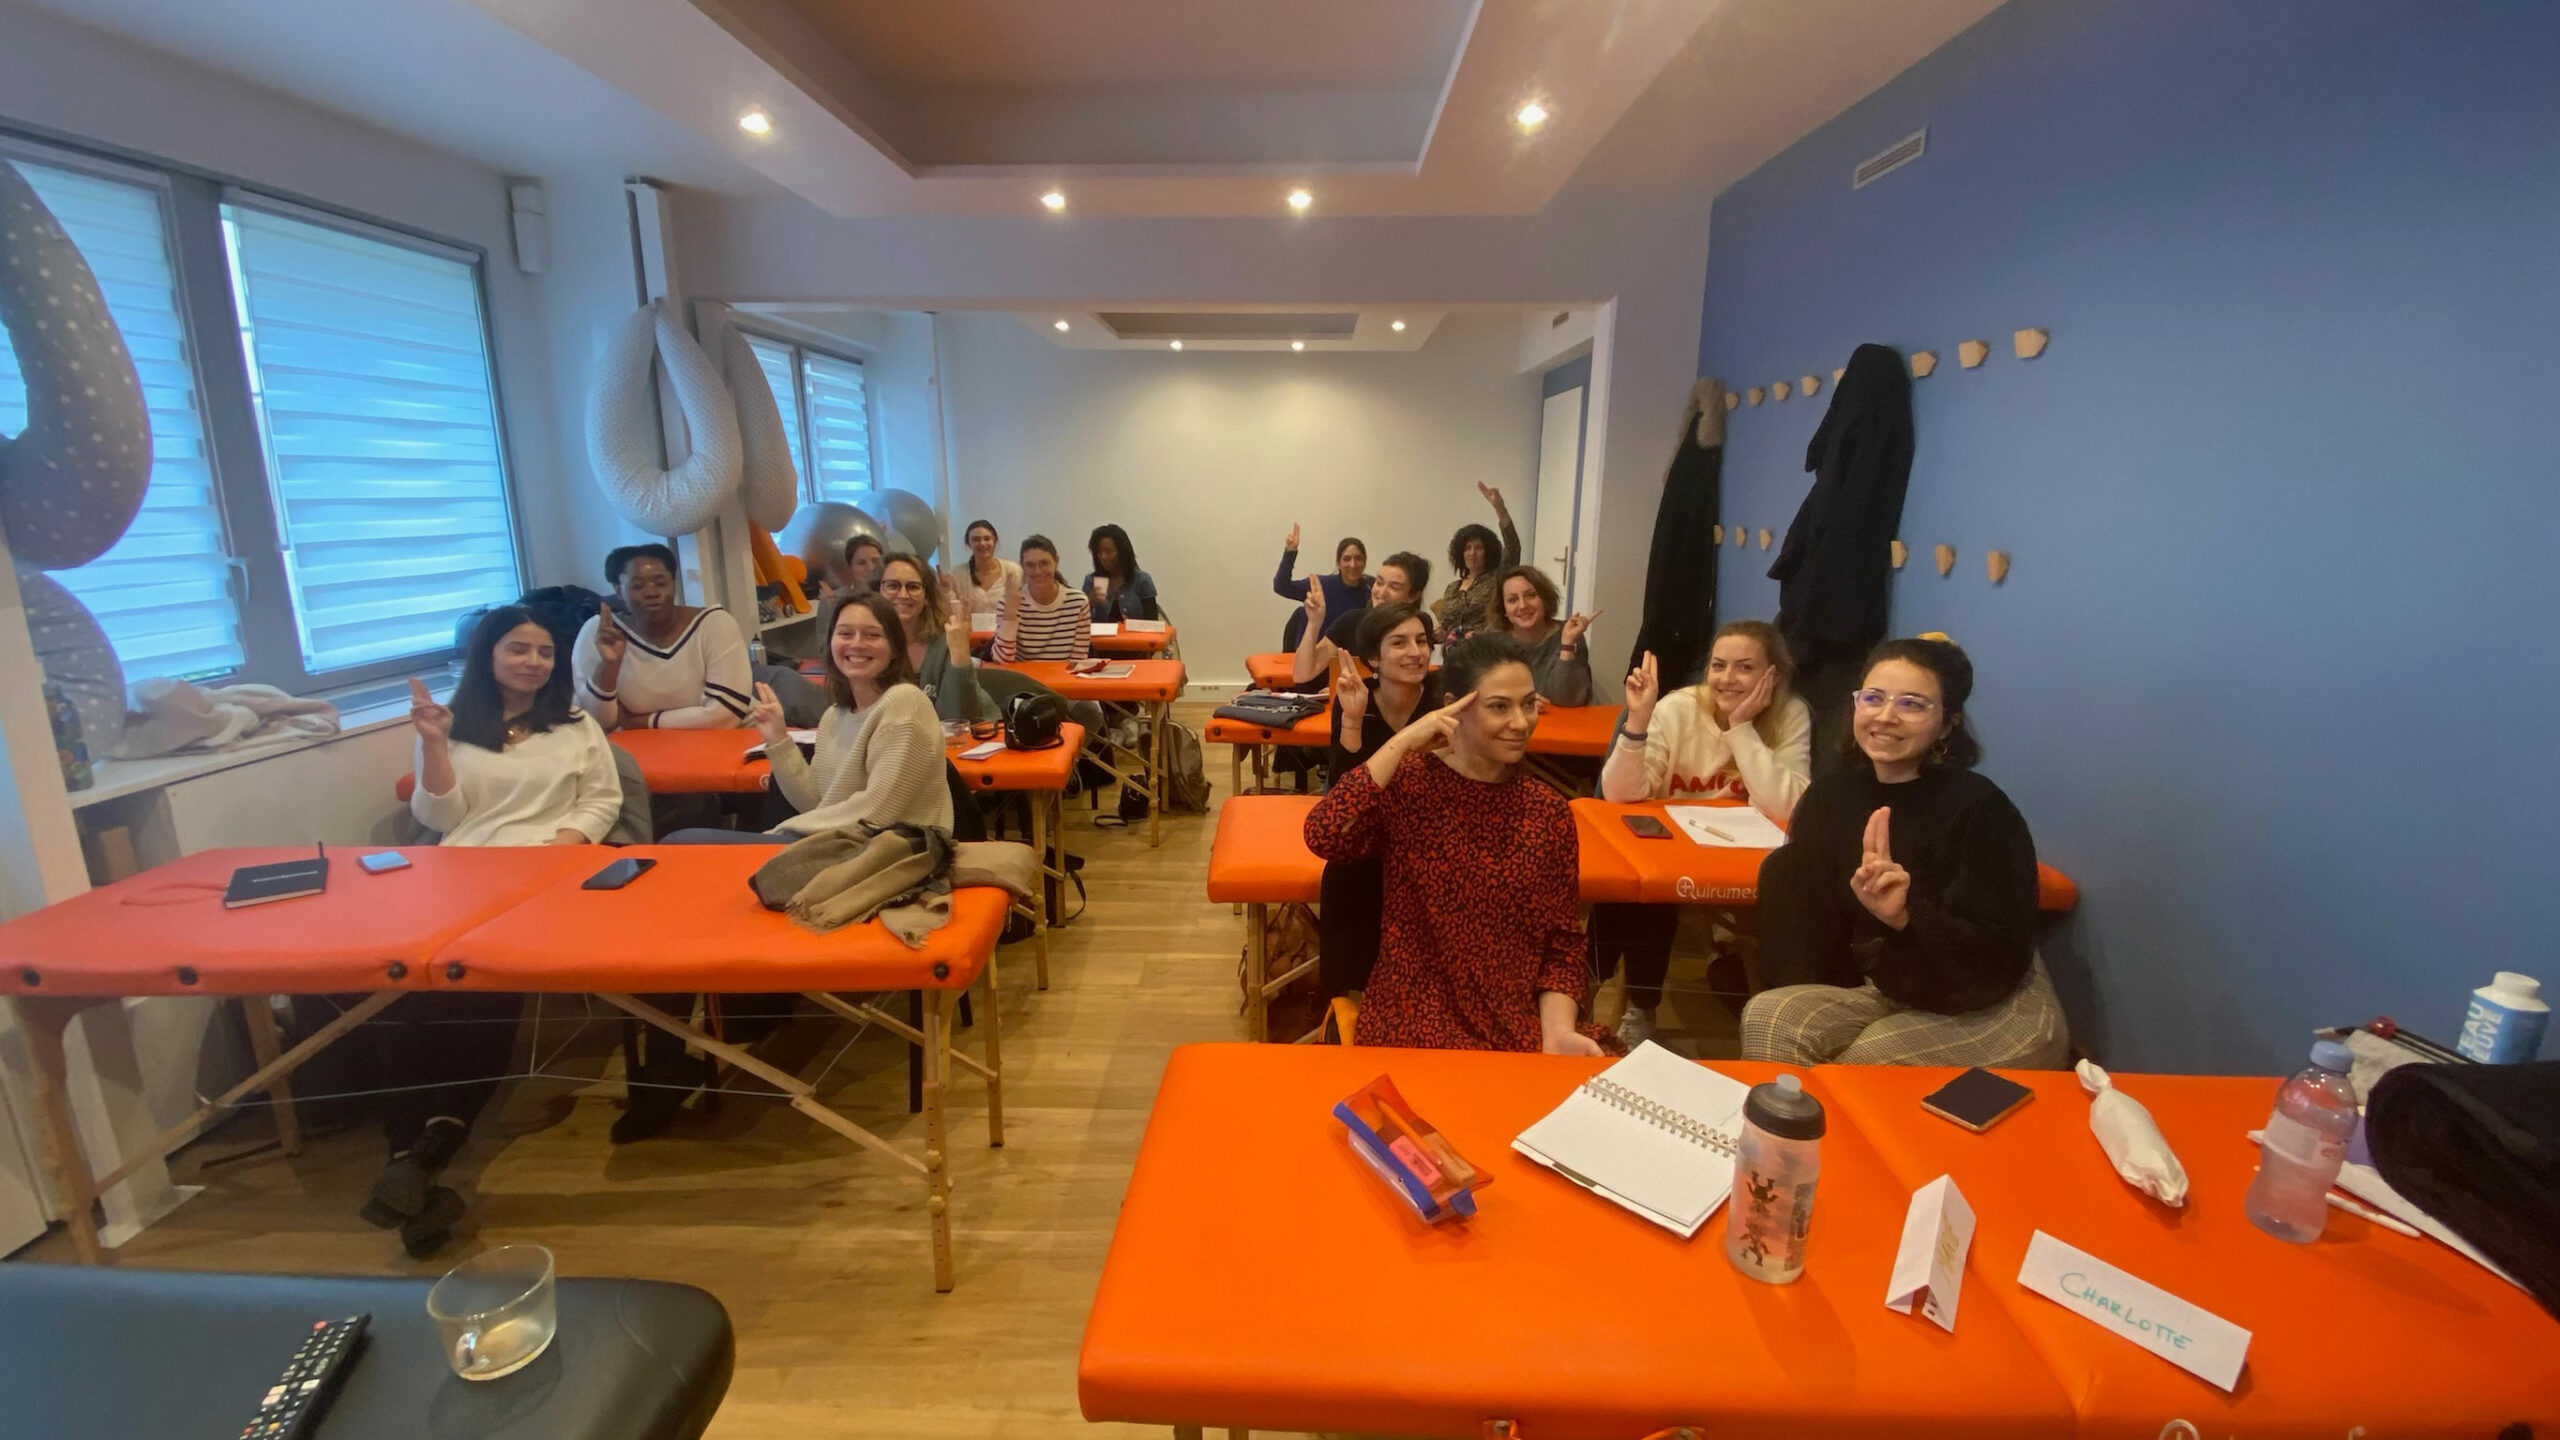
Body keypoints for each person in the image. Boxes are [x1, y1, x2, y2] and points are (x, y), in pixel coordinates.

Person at [372, 609, 621, 1255]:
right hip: (462, 875)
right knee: (409, 1000)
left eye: (545, 652)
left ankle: (420, 1159)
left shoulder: (576, 725)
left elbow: (602, 801)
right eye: (519, 649)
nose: (534, 662)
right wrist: (433, 744)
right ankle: (416, 1163)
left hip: (549, 876)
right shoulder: (450, 725)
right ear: (488, 655)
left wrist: (558, 851)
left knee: (481, 995)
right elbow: (439, 816)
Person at [1740, 637, 2066, 1067]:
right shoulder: (1831, 797)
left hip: (1995, 997)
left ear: (1947, 724)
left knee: (1866, 1060)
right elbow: (1808, 928)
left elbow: (1994, 954)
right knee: (1770, 1018)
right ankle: (1790, 1116)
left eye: (1912, 704)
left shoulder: (1980, 809)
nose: (1886, 716)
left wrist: (1907, 917)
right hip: (1893, 985)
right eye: (1873, 698)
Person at [1303, 633, 1614, 1054]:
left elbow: (1562, 943)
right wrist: (1402, 743)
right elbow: (1324, 833)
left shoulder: (1548, 811)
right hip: (1415, 1017)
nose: (1520, 722)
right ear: (1454, 708)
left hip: (1516, 1020)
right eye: (1499, 707)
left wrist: (1558, 1031)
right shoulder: (1411, 786)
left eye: (1528, 704)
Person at [1595, 621, 1814, 1046]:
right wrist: (1637, 721)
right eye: (1718, 665)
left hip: (1747, 859)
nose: (1727, 678)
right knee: (1639, 889)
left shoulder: (1791, 714)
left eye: (1745, 667)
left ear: (1772, 675)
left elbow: (1792, 806)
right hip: (1676, 851)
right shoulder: (1678, 708)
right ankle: (1636, 1004)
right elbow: (1618, 795)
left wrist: (1741, 728)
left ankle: (1774, 1022)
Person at [666, 592, 953, 841]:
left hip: (887, 853)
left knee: (683, 841)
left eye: (872, 635)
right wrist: (779, 740)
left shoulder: (904, 702)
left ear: (894, 649)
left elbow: (877, 812)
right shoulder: (834, 717)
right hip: (838, 844)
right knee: (683, 841)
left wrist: (783, 831)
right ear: (831, 643)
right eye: (845, 634)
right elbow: (815, 804)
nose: (856, 644)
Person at [1315, 602, 1444, 1000]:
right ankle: (1344, 998)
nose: (1416, 652)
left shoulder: (1442, 699)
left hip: (1429, 844)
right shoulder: (1355, 696)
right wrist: (1352, 720)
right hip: (1368, 842)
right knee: (1347, 870)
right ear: (1373, 657)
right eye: (1399, 643)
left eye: (1422, 641)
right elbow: (1343, 795)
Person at [573, 543, 752, 730]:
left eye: (661, 583)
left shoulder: (715, 624)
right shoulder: (600, 633)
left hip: (733, 736)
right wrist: (608, 666)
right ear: (618, 591)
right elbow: (595, 724)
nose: (652, 593)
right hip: (643, 744)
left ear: (674, 584)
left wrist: (638, 722)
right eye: (638, 586)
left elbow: (726, 716)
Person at [876, 552, 990, 723]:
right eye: (892, 586)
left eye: (913, 587)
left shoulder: (946, 644)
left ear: (927, 597)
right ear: (878, 592)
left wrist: (960, 652)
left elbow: (959, 719)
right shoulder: (867, 646)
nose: (903, 595)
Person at [1289, 549, 1432, 684]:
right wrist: (1314, 622)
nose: (1381, 592)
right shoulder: (1352, 621)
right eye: (1379, 582)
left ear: (1413, 595)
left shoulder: (1420, 626)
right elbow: (1302, 674)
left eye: (1394, 587)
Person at [1488, 563, 1597, 706]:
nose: (1523, 605)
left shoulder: (1569, 634)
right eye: (1512, 600)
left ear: (1544, 599)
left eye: (1531, 595)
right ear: (1503, 608)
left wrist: (1567, 645)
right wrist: (1522, 701)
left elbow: (1569, 700)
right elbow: (1482, 694)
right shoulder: (1493, 642)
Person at [1431, 482, 1521, 643]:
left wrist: (1500, 509)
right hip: (1454, 652)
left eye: (1478, 548)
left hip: (1486, 650)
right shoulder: (1452, 589)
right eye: (1467, 548)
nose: (1472, 553)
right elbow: (1446, 627)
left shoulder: (1498, 578)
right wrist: (1439, 633)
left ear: (1488, 551)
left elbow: (1513, 548)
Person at [991, 535, 1091, 662]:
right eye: (1030, 565)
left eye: (1044, 563)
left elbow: (1078, 662)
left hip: (1063, 674)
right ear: (1022, 566)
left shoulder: (1078, 602)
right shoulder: (1008, 602)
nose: (1037, 571)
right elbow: (1002, 661)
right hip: (1021, 675)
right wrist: (1010, 614)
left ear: (1056, 562)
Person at [1274, 526, 1369, 651]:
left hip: (1349, 658)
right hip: (1312, 656)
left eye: (1358, 558)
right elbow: (1282, 586)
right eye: (1347, 559)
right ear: (1338, 563)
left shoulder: (1371, 592)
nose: (1353, 564)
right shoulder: (1319, 586)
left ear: (1365, 561)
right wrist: (1290, 552)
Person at [1083, 524, 1160, 623]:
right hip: (1100, 633)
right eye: (1099, 552)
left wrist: (1131, 624)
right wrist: (1088, 602)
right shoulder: (1091, 581)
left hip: (1134, 633)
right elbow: (1078, 623)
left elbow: (1153, 623)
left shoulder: (1142, 580)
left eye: (1108, 551)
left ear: (1122, 552)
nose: (1103, 557)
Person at [957, 518, 1020, 620]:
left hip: (1007, 629)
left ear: (995, 541)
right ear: (968, 544)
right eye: (976, 539)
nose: (982, 543)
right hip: (969, 630)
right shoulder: (957, 575)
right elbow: (952, 613)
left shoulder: (1013, 570)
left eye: (987, 539)